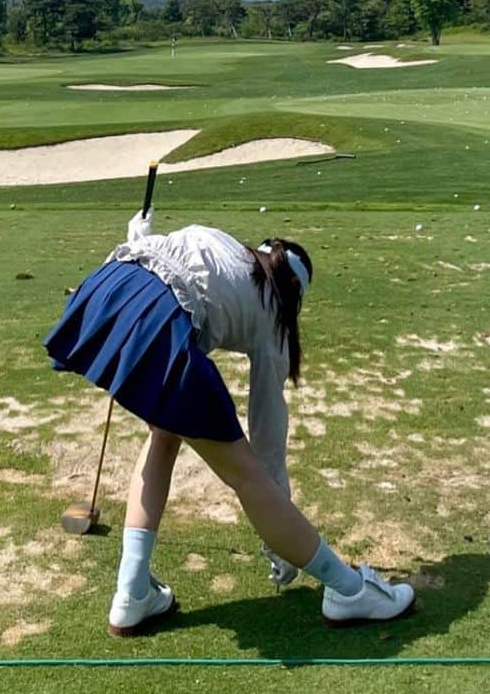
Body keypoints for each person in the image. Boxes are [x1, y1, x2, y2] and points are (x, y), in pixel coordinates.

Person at [43, 209, 414, 636]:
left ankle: (132, 593)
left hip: (108, 286)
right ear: (294, 296)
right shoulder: (275, 316)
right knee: (247, 475)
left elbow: (164, 255)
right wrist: (283, 535)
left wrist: (139, 234)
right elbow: (268, 448)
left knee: (165, 433)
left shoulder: (223, 242)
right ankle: (348, 590)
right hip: (156, 315)